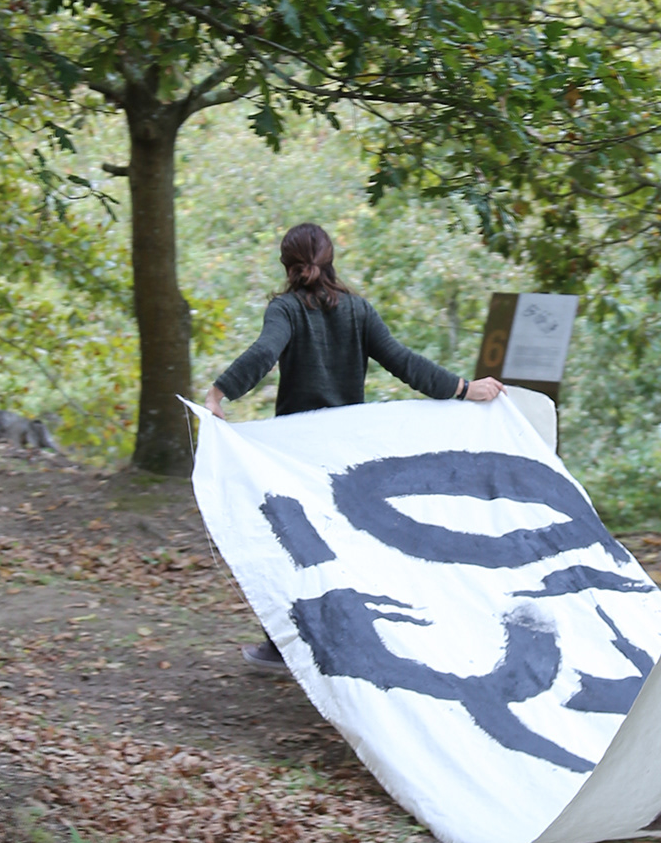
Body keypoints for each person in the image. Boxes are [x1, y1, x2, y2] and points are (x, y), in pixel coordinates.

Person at [205, 221, 502, 670]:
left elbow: (265, 353)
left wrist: (218, 393)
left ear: (288, 266)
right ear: (330, 259)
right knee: (343, 542)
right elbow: (404, 362)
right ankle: (346, 641)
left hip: (296, 450)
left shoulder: (285, 310)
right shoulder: (358, 311)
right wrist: (463, 389)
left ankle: (284, 645)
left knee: (291, 543)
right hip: (347, 453)